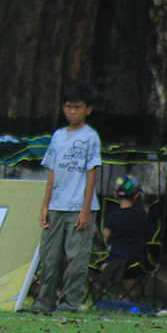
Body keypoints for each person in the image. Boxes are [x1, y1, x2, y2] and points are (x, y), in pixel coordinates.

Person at [25, 85, 101, 314]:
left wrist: (85, 210)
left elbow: (91, 173)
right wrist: (44, 205)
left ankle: (69, 303)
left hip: (79, 206)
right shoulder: (58, 136)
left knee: (76, 259)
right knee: (48, 258)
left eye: (77, 107)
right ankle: (43, 301)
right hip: (56, 206)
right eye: (68, 107)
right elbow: (52, 171)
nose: (72, 112)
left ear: (88, 110)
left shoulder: (90, 137)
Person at [95, 174, 147, 289]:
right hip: (137, 256)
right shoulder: (141, 213)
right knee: (119, 259)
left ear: (115, 195)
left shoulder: (113, 215)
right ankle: (119, 265)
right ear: (136, 195)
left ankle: (106, 285)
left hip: (117, 252)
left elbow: (105, 235)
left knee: (103, 263)